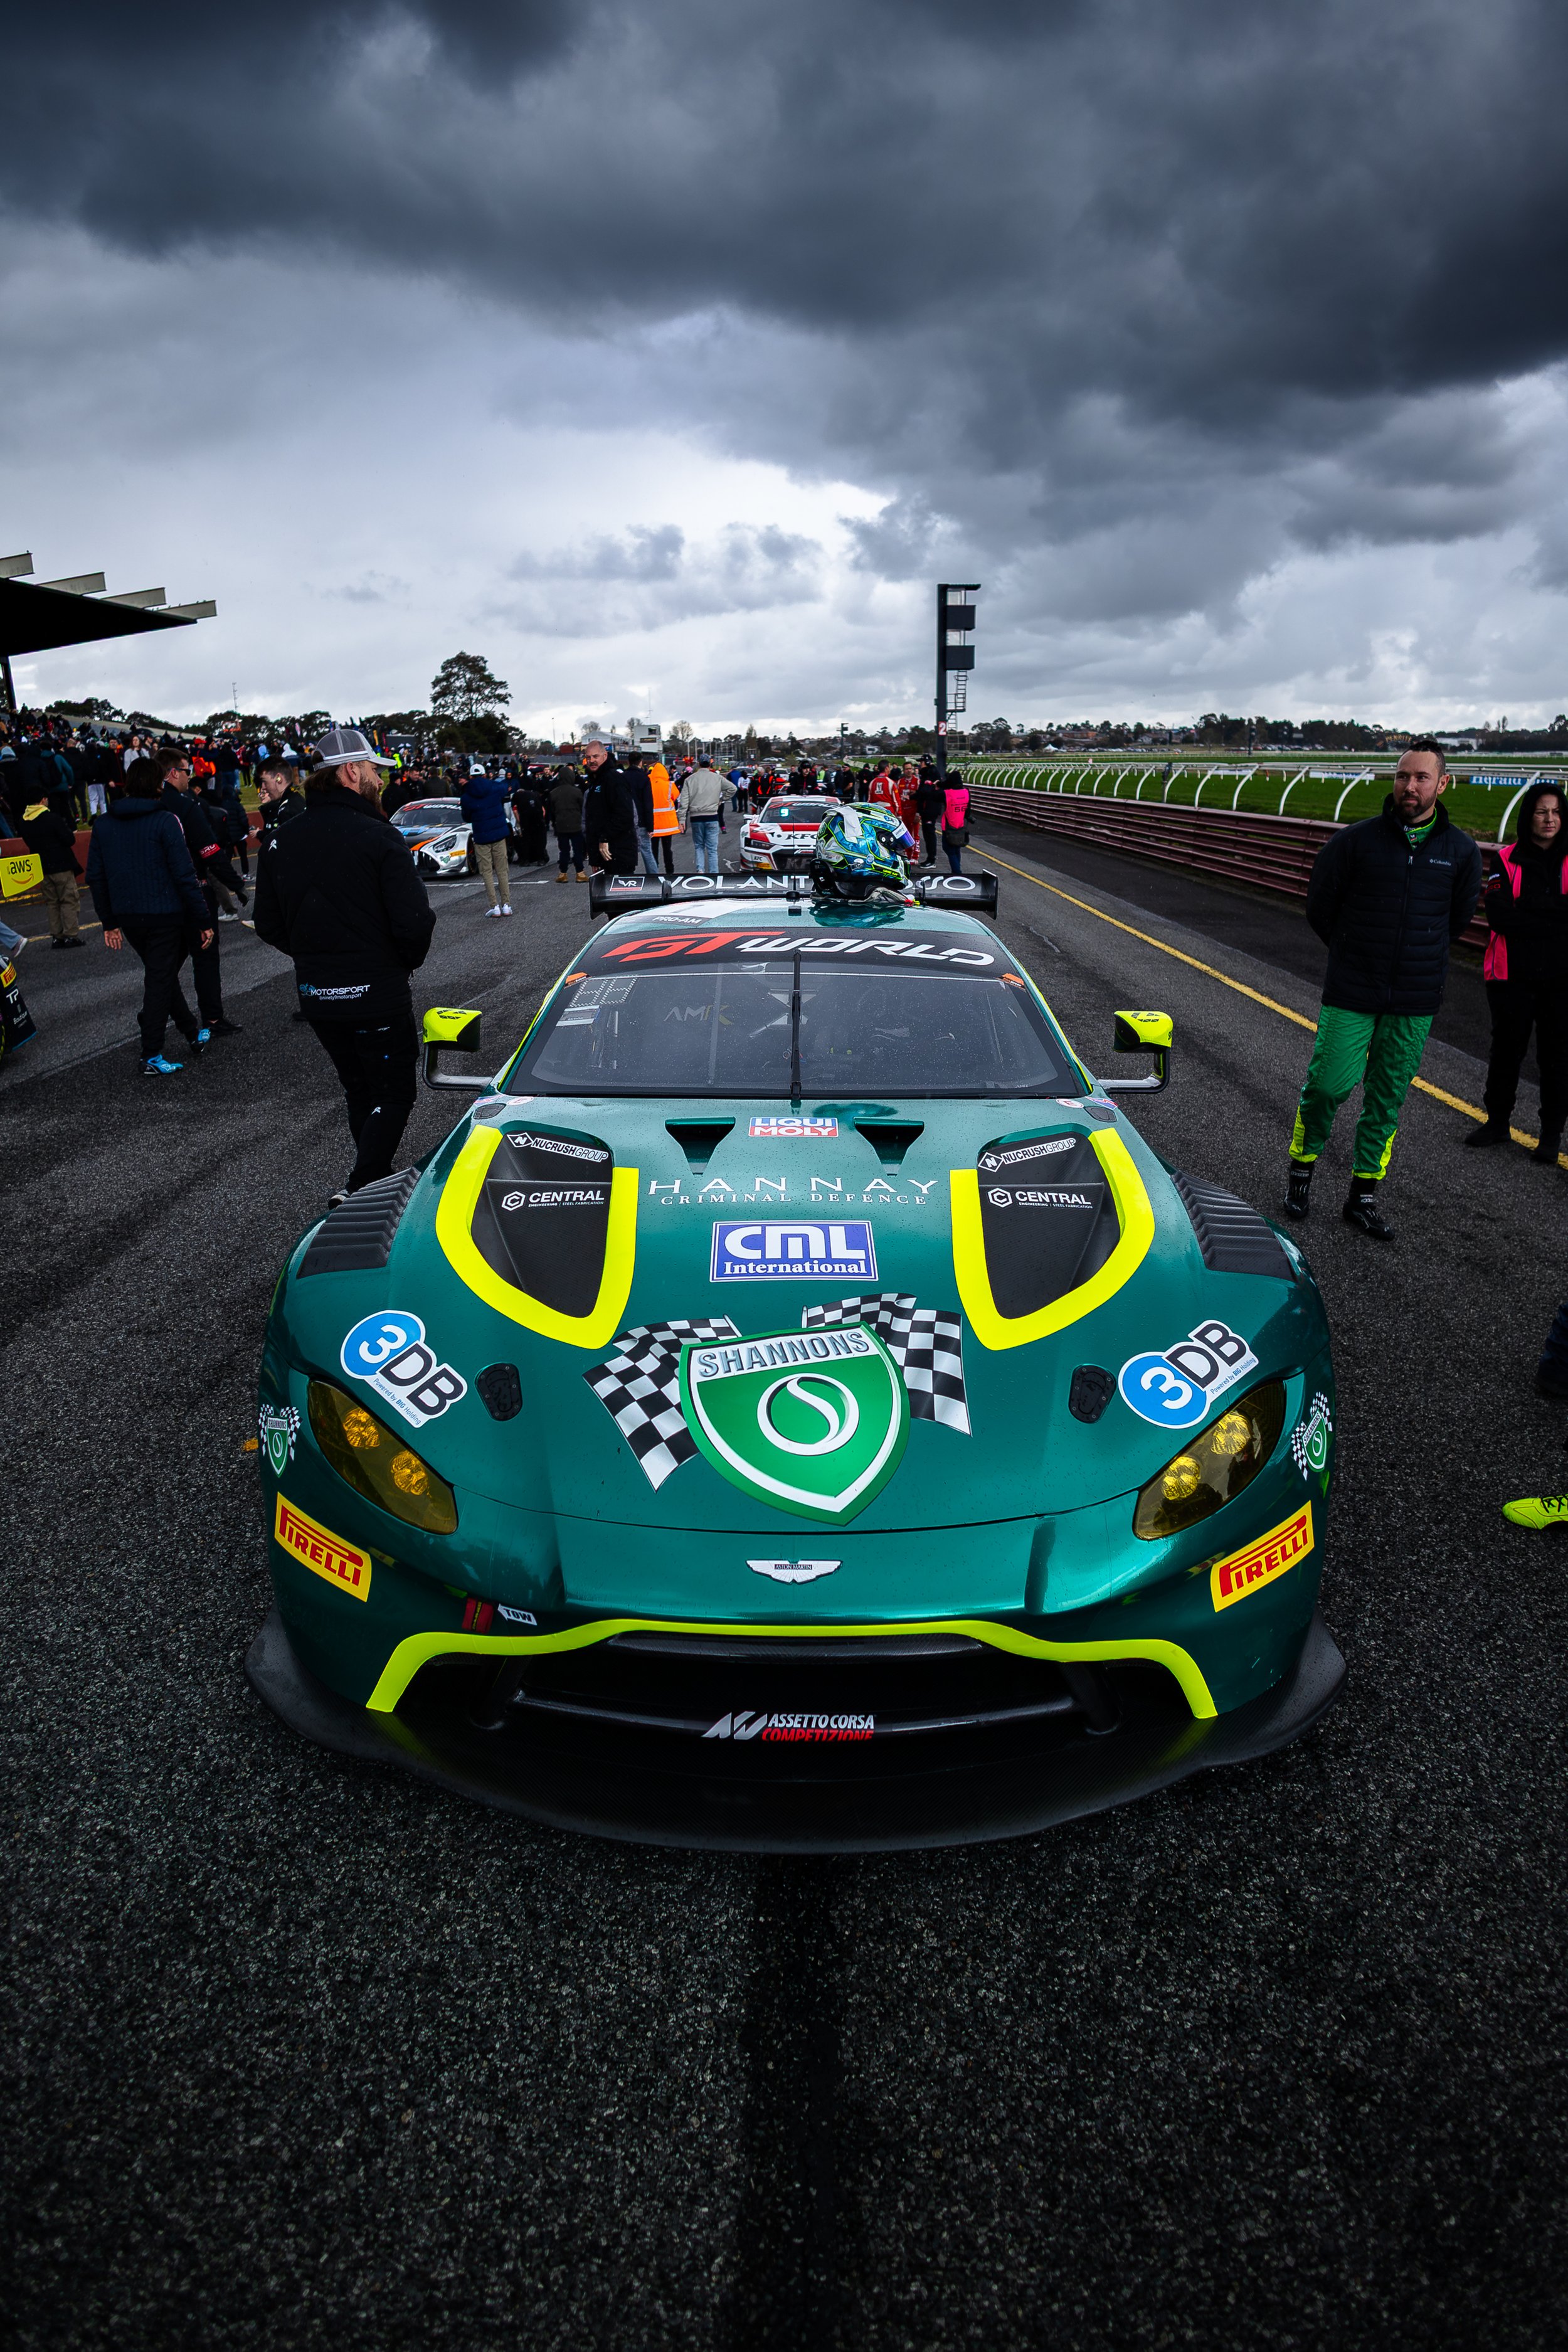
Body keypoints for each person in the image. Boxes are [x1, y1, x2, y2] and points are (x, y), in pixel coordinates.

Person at [1283, 739, 1482, 1241]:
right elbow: (1319, 907)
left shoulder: (1460, 852)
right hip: (1353, 990)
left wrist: (1415, 959)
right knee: (1327, 1087)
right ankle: (1301, 1174)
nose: (1409, 786)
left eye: (1421, 778)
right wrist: (1354, 954)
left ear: (1442, 784)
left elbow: (1455, 922)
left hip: (1414, 998)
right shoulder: (1355, 842)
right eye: (1402, 776)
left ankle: (1363, 1196)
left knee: (1386, 1099)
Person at [252, 726, 435, 1202]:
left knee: (360, 1090)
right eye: (374, 768)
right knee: (393, 1092)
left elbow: (267, 923)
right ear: (351, 771)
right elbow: (415, 922)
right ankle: (362, 1185)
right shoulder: (380, 835)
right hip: (376, 992)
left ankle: (373, 1179)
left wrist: (317, 956)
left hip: (319, 995)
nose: (380, 778)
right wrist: (396, 963)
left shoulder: (280, 840)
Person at [85, 755, 215, 1073]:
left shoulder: (104, 824)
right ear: (157, 784)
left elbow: (96, 878)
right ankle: (151, 1053)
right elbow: (184, 875)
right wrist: (202, 919)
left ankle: (191, 1032)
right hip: (164, 915)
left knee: (162, 975)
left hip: (128, 916)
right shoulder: (165, 821)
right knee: (159, 980)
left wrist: (109, 921)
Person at [1467, 782, 1568, 1162]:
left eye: (1556, 812)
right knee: (1506, 1052)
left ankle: (1551, 1136)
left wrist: (1529, 911)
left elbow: (1518, 916)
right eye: (1542, 812)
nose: (1549, 819)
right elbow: (1500, 917)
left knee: (1557, 1058)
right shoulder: (1506, 859)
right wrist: (1557, 916)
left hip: (1562, 980)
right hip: (1512, 978)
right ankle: (1497, 1123)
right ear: (1529, 816)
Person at [157, 749, 245, 1035]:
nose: (189, 777)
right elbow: (210, 851)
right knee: (205, 957)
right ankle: (213, 1019)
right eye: (187, 771)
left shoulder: (148, 805)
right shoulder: (186, 806)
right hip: (194, 890)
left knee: (166, 964)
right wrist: (236, 884)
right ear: (173, 773)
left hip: (159, 898)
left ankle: (152, 1014)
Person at [18, 795, 84, 946]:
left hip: (42, 867)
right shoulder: (52, 818)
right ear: (43, 800)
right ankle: (71, 935)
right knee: (69, 900)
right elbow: (69, 839)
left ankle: (57, 936)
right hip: (62, 865)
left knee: (52, 903)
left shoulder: (24, 821)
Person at [582, 736, 641, 876]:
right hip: (603, 855)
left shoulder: (614, 780)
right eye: (588, 757)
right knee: (602, 889)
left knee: (618, 889)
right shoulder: (596, 781)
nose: (592, 761)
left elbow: (625, 815)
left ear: (605, 756)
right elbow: (594, 820)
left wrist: (605, 838)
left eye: (595, 756)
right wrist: (595, 857)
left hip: (618, 854)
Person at [460, 765, 514, 916]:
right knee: (502, 870)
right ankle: (507, 904)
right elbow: (505, 787)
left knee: (487, 872)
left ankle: (494, 906)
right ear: (485, 775)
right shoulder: (494, 788)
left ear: (471, 777)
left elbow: (466, 817)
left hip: (481, 836)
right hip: (498, 834)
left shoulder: (466, 796)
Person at [678, 754, 730, 875]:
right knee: (712, 849)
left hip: (696, 817)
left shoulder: (690, 780)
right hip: (712, 816)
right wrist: (721, 800)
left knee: (699, 846)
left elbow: (684, 802)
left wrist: (682, 820)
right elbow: (733, 789)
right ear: (710, 764)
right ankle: (714, 873)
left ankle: (700, 870)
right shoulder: (717, 778)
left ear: (699, 764)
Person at [548, 767, 588, 882]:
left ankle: (563, 874)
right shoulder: (577, 791)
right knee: (578, 850)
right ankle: (580, 873)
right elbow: (582, 807)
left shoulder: (554, 793)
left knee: (564, 851)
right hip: (576, 824)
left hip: (561, 825)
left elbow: (552, 810)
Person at [647, 755, 679, 877]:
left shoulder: (648, 784)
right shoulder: (669, 784)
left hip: (653, 825)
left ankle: (654, 872)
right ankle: (670, 871)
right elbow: (676, 796)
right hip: (667, 824)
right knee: (667, 850)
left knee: (654, 850)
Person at [257, 756, 304, 837]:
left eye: (265, 782)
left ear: (279, 779)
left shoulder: (287, 811)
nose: (263, 787)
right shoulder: (295, 797)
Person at [941, 770, 971, 873]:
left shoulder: (947, 793)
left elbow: (933, 795)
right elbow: (968, 811)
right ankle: (957, 870)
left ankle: (957, 872)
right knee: (956, 849)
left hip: (948, 827)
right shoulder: (966, 792)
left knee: (949, 849)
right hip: (960, 826)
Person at [913, 772, 944, 867]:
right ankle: (930, 859)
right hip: (926, 812)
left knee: (930, 836)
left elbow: (924, 792)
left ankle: (932, 860)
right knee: (927, 836)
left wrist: (928, 785)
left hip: (931, 812)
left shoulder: (935, 784)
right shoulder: (930, 784)